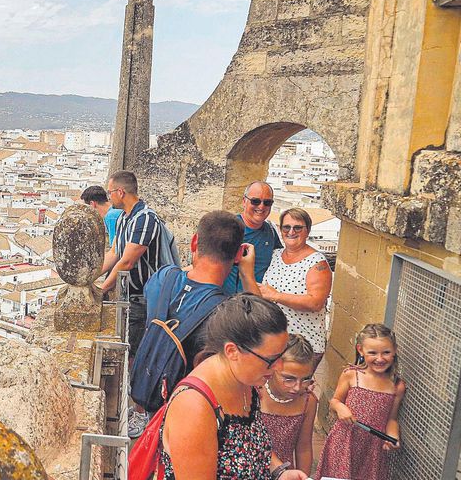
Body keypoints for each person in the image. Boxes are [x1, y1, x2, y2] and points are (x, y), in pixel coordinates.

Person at [159, 294, 308, 480]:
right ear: (232, 351)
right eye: (271, 360)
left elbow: (251, 444)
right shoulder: (194, 407)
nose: (278, 367)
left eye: (281, 356)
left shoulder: (246, 377)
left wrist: (279, 472)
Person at [99, 171, 178, 438]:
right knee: (132, 352)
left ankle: (143, 411)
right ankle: (138, 406)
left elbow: (127, 261)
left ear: (121, 192)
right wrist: (92, 277)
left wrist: (102, 288)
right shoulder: (123, 219)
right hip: (130, 298)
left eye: (110, 192)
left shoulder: (145, 219)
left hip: (146, 300)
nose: (109, 197)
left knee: (141, 356)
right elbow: (114, 253)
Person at [143, 210, 258, 369]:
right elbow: (261, 332)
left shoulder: (163, 277)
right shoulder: (227, 314)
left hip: (148, 380)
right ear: (238, 255)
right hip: (190, 390)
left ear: (194, 242)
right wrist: (248, 276)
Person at [316, 323, 405, 480]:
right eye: (372, 353)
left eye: (386, 352)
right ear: (360, 350)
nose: (380, 358)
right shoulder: (351, 375)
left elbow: (391, 418)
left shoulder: (396, 385)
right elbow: (335, 401)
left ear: (395, 351)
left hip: (372, 448)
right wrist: (341, 407)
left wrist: (393, 435)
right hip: (344, 441)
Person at [255, 208, 333, 369]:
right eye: (286, 227)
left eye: (297, 228)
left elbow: (315, 302)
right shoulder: (275, 255)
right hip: (275, 343)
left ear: (307, 231)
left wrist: (276, 296)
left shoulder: (317, 263)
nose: (291, 232)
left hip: (303, 346)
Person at [258, 334, 318, 476]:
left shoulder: (308, 402)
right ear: (272, 368)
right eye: (289, 379)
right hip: (251, 468)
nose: (297, 387)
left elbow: (303, 447)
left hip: (285, 473)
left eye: (306, 379)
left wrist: (303, 476)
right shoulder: (254, 392)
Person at [223, 181, 282, 295]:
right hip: (229, 303)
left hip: (257, 304)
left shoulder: (271, 231)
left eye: (267, 202)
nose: (261, 206)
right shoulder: (228, 228)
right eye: (255, 201)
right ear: (244, 201)